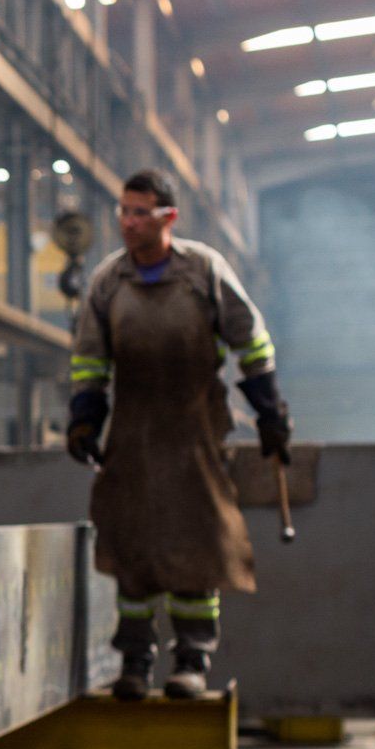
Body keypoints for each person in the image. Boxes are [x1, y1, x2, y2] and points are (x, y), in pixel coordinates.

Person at [66, 168, 292, 701]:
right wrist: (84, 417)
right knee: (131, 547)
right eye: (124, 211)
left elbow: (251, 341)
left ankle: (191, 660)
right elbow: (90, 360)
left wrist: (269, 410)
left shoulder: (204, 270)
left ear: (168, 217)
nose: (128, 222)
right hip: (133, 430)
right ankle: (136, 661)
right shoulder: (108, 281)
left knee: (199, 544)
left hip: (196, 428)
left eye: (140, 212)